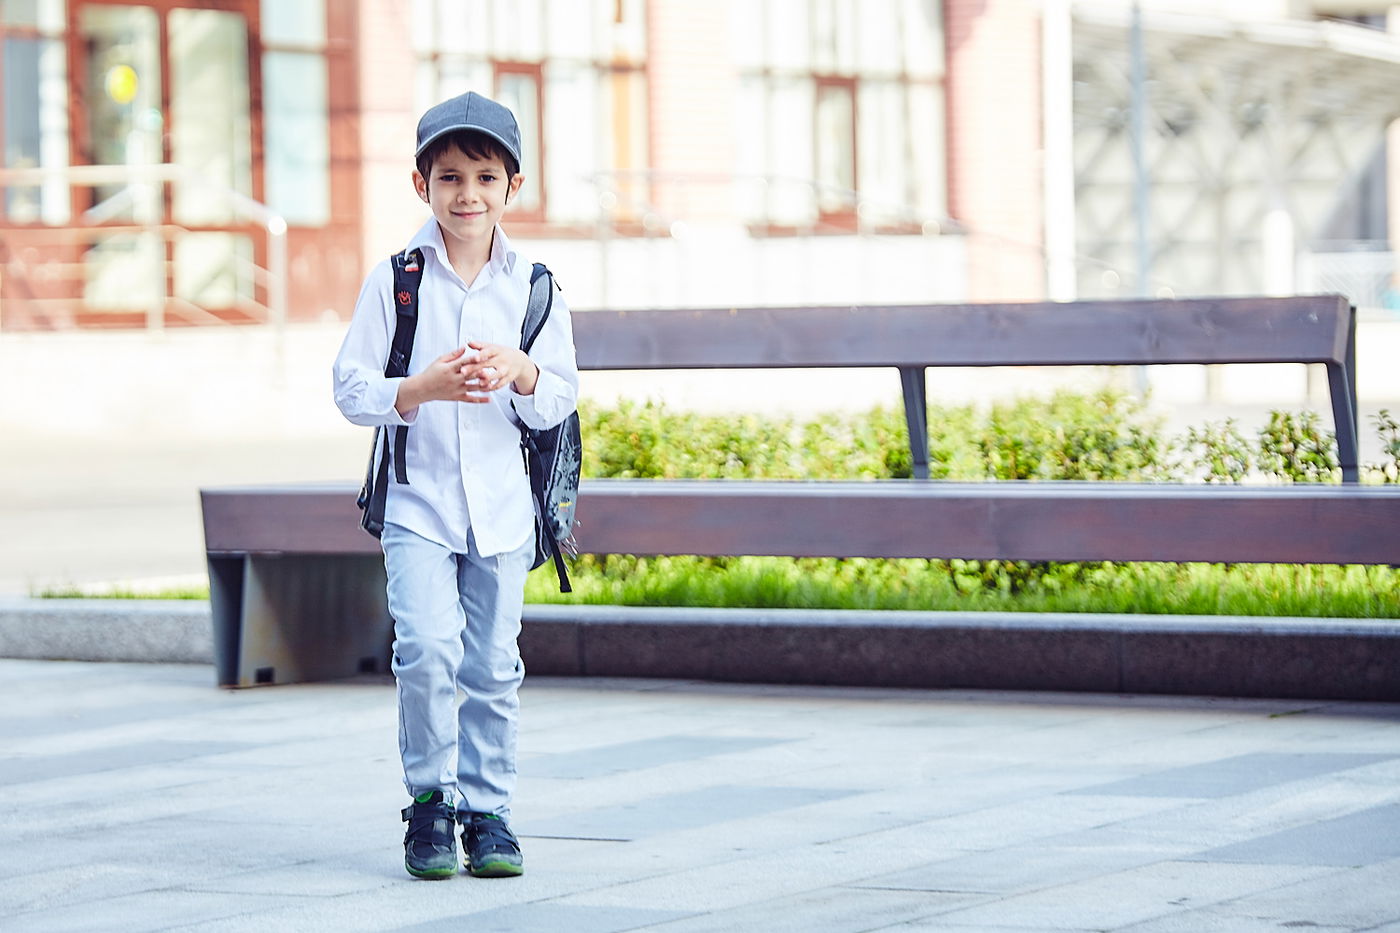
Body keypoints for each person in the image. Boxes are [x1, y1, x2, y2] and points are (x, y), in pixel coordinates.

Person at [332, 91, 579, 880]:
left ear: (512, 185)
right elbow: (350, 386)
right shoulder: (396, 281)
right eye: (449, 177)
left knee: (493, 665)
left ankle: (490, 811)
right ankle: (430, 805)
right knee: (428, 651)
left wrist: (523, 367)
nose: (466, 193)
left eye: (483, 175)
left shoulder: (534, 286)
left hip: (503, 512)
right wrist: (420, 386)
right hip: (420, 506)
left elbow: (562, 394)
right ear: (420, 185)